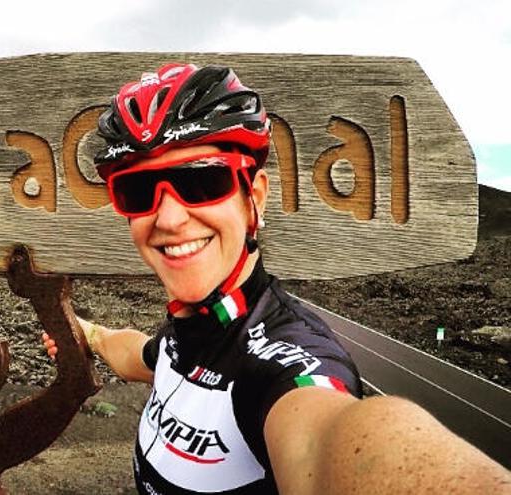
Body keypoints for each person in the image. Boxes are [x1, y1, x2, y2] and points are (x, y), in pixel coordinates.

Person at [43, 63, 511, 494]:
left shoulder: (285, 364)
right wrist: (88, 333)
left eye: (202, 181)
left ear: (255, 198)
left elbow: (341, 439)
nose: (168, 217)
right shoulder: (189, 334)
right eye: (138, 190)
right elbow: (142, 356)